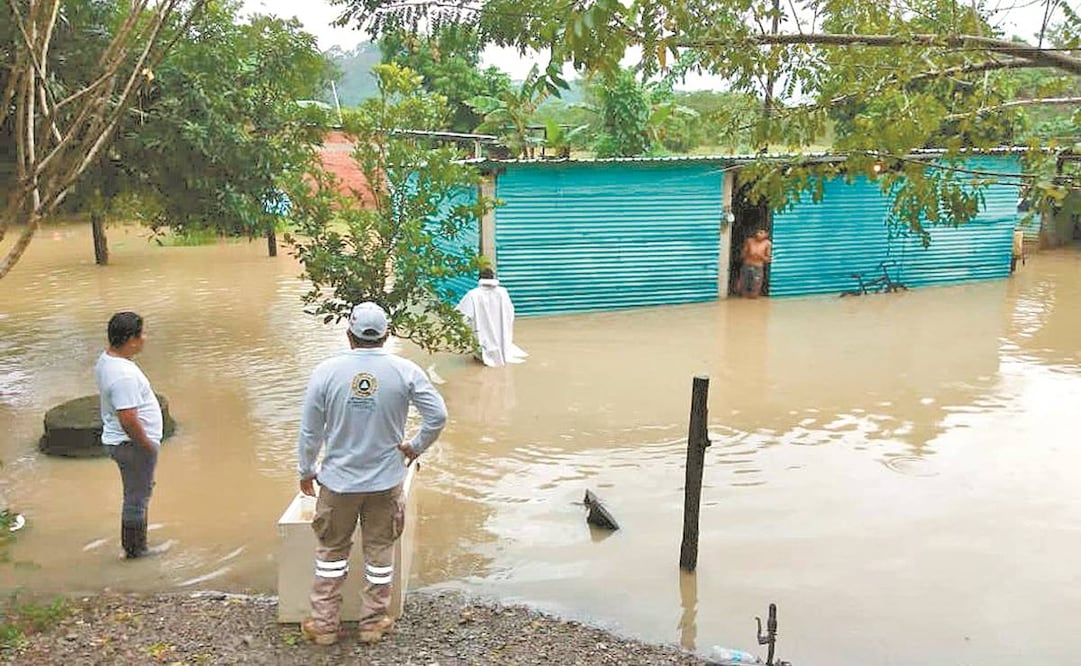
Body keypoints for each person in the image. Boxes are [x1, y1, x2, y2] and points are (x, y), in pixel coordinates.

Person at [297, 302, 448, 646]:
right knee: (380, 552)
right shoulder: (405, 371)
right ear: (387, 334)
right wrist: (415, 446)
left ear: (349, 335)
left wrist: (306, 470)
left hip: (337, 482)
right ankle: (373, 623)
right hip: (385, 481)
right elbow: (437, 416)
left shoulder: (325, 372)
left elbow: (310, 431)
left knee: (331, 552)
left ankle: (323, 625)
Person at [95, 312, 164, 559]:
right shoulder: (123, 376)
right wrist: (147, 446)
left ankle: (136, 544)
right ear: (131, 340)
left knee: (139, 491)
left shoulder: (107, 360)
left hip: (124, 443)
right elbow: (128, 419)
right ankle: (136, 551)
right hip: (131, 445)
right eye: (142, 333)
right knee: (136, 498)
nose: (145, 338)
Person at [455, 267, 527, 367]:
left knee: (481, 352)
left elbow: (461, 316)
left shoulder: (473, 295)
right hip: (501, 337)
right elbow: (510, 312)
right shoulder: (503, 292)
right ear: (493, 277)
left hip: (481, 336)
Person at [740, 228, 773, 298]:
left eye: (761, 233)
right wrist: (748, 253)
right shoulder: (749, 241)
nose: (758, 234)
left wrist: (761, 256)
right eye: (757, 232)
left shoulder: (767, 244)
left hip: (758, 267)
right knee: (743, 289)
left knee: (755, 290)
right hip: (747, 266)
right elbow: (742, 255)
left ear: (766, 234)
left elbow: (768, 259)